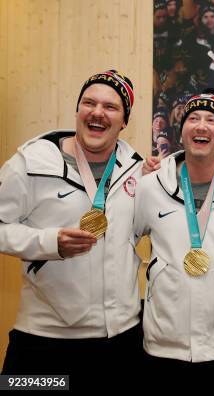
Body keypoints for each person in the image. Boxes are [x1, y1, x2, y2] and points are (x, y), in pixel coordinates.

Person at [0, 70, 144, 390]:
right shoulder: (31, 162)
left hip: (121, 341)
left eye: (110, 107)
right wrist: (49, 242)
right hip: (43, 342)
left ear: (124, 121)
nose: (97, 112)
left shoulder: (138, 171)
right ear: (77, 110)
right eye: (88, 103)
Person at [134, 90, 214, 388]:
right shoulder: (150, 187)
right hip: (164, 346)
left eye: (212, 120)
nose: (202, 126)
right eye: (193, 118)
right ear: (182, 132)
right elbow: (122, 241)